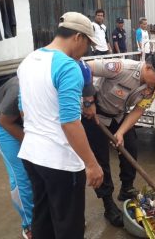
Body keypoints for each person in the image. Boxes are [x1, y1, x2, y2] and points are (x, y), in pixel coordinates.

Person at [17, 12, 104, 239]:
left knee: (43, 218)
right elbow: (69, 122)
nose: (86, 50)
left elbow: (23, 108)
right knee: (69, 226)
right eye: (87, 43)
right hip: (60, 161)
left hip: (31, 154)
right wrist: (91, 163)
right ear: (78, 37)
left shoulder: (29, 60)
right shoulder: (67, 66)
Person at [81, 53, 155, 226]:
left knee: (130, 146)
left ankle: (126, 188)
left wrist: (121, 132)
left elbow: (138, 110)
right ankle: (108, 203)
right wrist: (87, 100)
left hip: (118, 116)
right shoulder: (121, 68)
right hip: (95, 115)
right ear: (148, 68)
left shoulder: (153, 87)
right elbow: (85, 67)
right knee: (101, 161)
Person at [0, 76, 33, 239]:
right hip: (0, 124)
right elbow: (6, 121)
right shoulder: (18, 86)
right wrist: (29, 142)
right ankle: (29, 224)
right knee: (21, 176)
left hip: (19, 121)